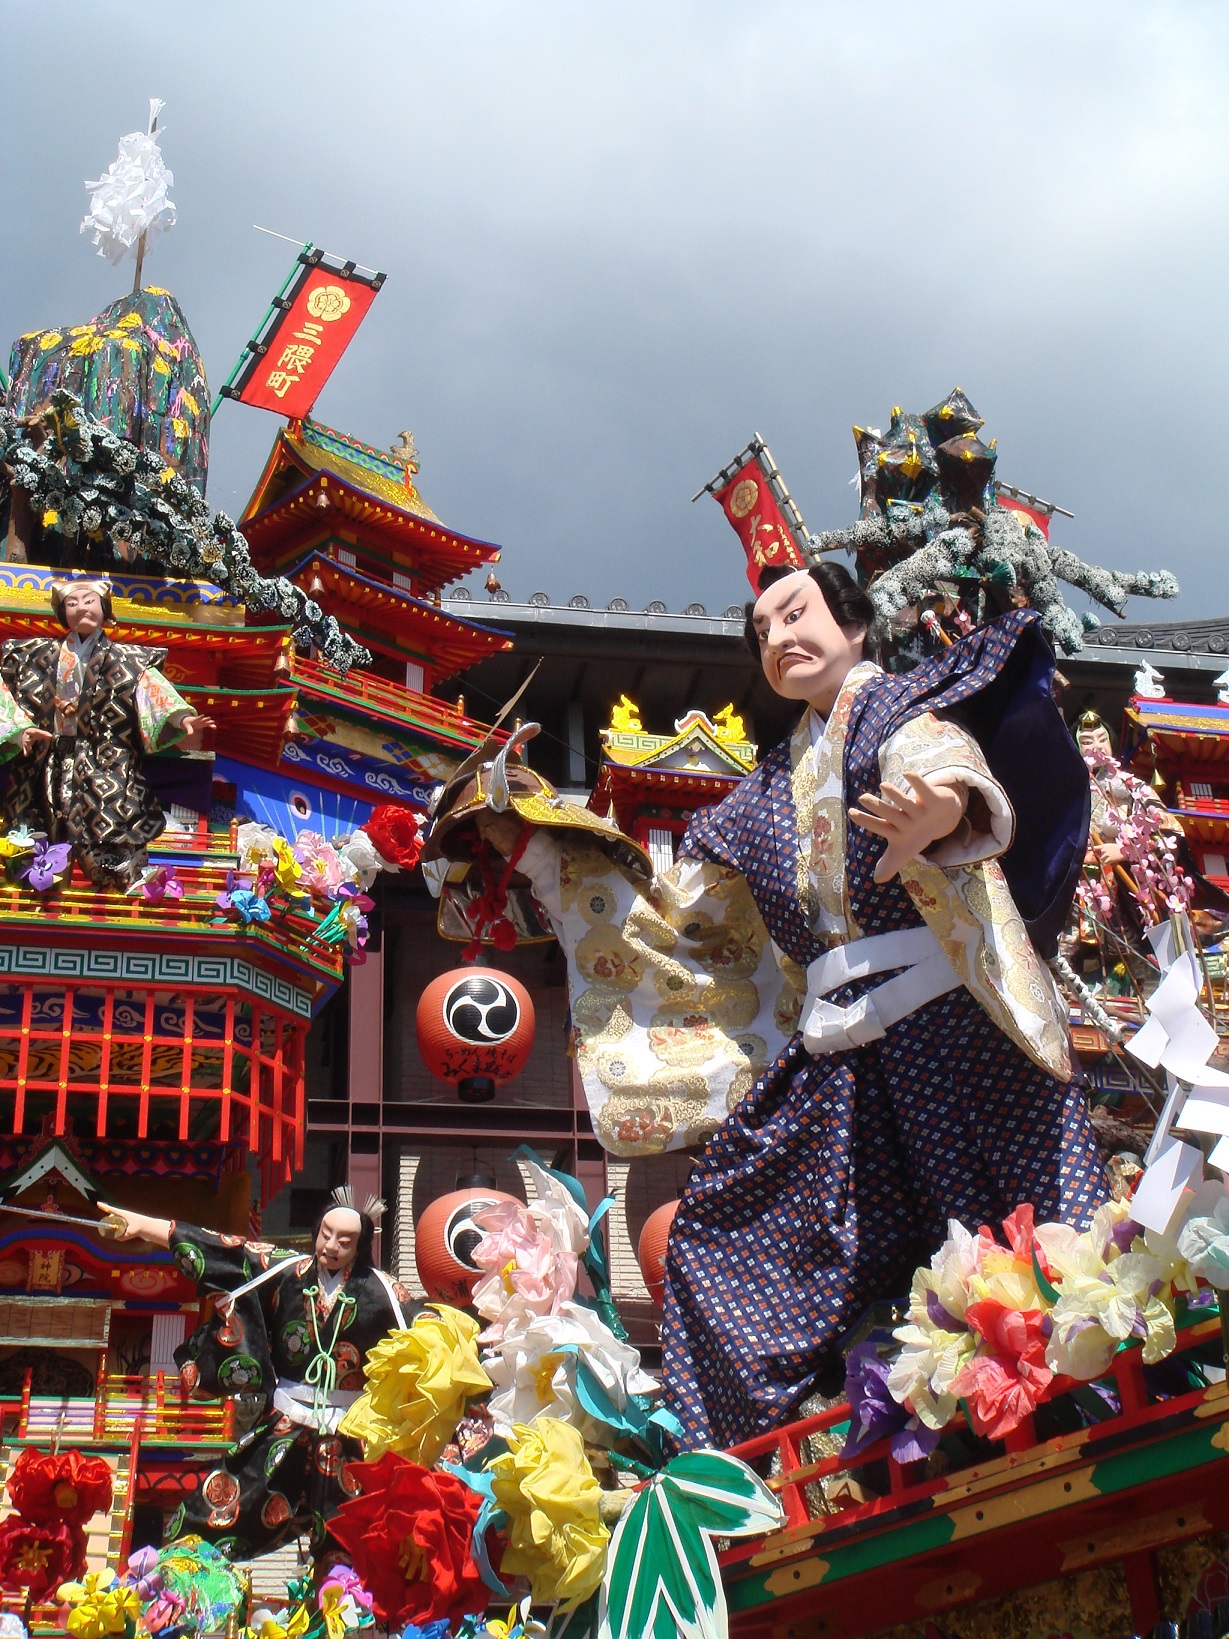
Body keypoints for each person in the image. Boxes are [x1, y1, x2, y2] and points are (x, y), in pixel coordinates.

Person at [462, 564, 1109, 1448]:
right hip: (836, 1058)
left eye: (795, 614)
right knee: (716, 1238)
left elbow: (938, 759)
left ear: (853, 625)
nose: (777, 639)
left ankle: (1075, 1412)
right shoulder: (762, 789)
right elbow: (675, 913)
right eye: (761, 632)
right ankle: (751, 1464)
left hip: (948, 1026)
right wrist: (542, 851)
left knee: (1008, 1246)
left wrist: (938, 810)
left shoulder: (897, 709)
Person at [103, 1191, 418, 1561]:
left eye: (344, 1241)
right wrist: (142, 1225)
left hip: (351, 1437)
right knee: (213, 1518)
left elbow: (422, 1326)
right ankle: (184, 1585)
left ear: (360, 1245)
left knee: (352, 1545)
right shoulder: (284, 1270)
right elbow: (224, 1249)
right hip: (286, 1424)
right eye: (326, 1234)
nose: (331, 1246)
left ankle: (341, 1608)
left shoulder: (385, 1290)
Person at [0, 578, 214, 889]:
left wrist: (180, 719)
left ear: (104, 609)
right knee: (39, 825)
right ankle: (39, 882)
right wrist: (20, 730)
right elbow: (7, 691)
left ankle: (120, 874)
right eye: (71, 604)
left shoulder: (127, 659)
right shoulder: (34, 655)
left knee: (110, 819)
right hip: (48, 759)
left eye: (88, 601)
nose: (80, 608)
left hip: (104, 757)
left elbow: (154, 692)